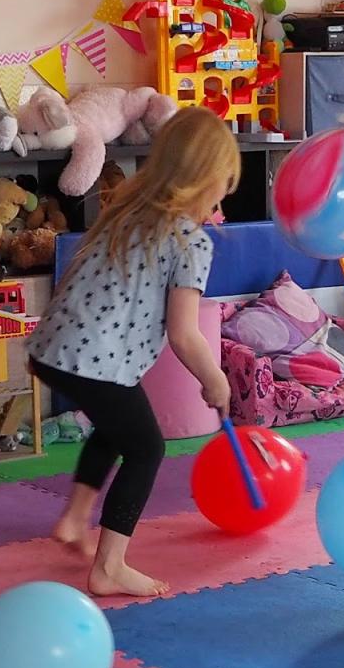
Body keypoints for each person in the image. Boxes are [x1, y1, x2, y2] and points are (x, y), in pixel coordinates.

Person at [27, 106, 236, 597]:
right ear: (207, 179)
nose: (227, 191)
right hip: (95, 360)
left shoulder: (125, 211)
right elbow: (185, 333)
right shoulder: (190, 242)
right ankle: (109, 567)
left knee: (118, 423)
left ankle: (76, 518)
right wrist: (216, 379)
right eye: (226, 180)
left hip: (54, 348)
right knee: (147, 447)